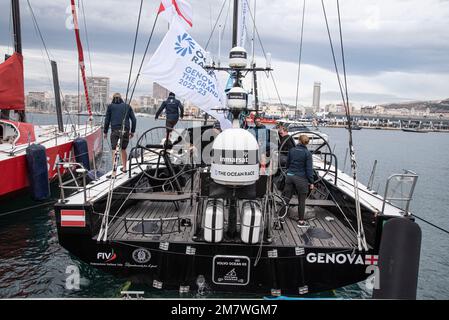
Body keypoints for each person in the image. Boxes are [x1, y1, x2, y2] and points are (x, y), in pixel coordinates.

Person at [282, 134, 315, 226]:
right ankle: (301, 221)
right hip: (301, 178)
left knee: (286, 198)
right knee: (302, 200)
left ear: (299, 141)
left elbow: (287, 165)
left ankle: (281, 217)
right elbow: (309, 170)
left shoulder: (292, 150)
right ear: (307, 143)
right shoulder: (307, 154)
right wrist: (311, 182)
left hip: (290, 176)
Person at [104, 93, 137, 173]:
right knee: (123, 149)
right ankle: (125, 168)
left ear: (113, 98)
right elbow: (134, 120)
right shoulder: (127, 106)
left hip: (115, 130)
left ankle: (114, 171)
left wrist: (105, 132)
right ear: (121, 98)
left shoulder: (110, 107)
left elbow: (107, 120)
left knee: (114, 150)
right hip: (125, 131)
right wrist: (132, 131)